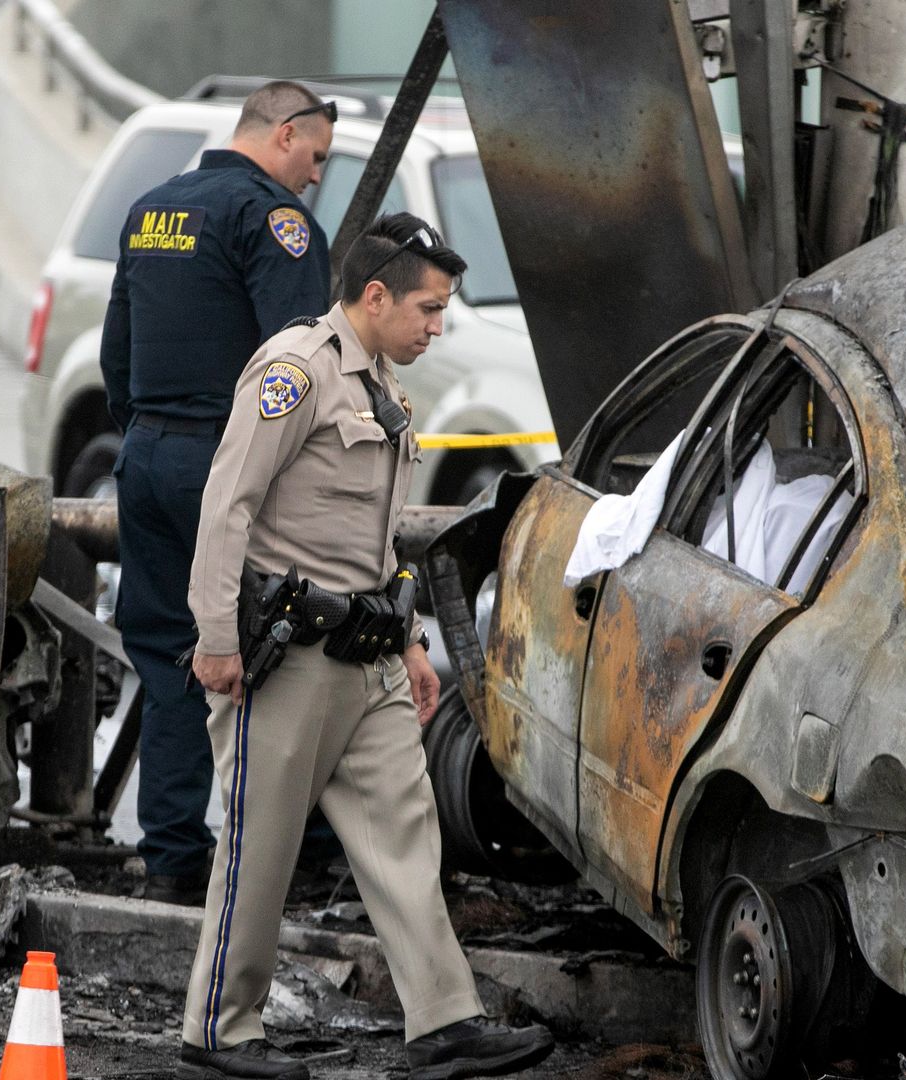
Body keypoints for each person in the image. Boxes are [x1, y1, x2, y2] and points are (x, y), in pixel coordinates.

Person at [176, 213, 555, 1080]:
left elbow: (372, 535)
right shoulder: (296, 371)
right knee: (260, 845)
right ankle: (219, 1029)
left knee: (404, 834)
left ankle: (444, 1023)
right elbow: (227, 504)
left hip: (370, 652)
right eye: (428, 308)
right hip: (289, 658)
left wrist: (412, 643)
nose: (438, 326)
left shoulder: (382, 384)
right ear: (375, 296)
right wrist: (216, 638)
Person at [101, 80, 336, 906]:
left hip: (146, 458)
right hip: (229, 465)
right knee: (278, 654)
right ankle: (291, 860)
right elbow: (298, 364)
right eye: (314, 156)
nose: (314, 176)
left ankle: (171, 856)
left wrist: (148, 436)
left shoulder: (150, 209)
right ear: (283, 133)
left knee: (171, 653)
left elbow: (117, 353)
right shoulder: (272, 221)